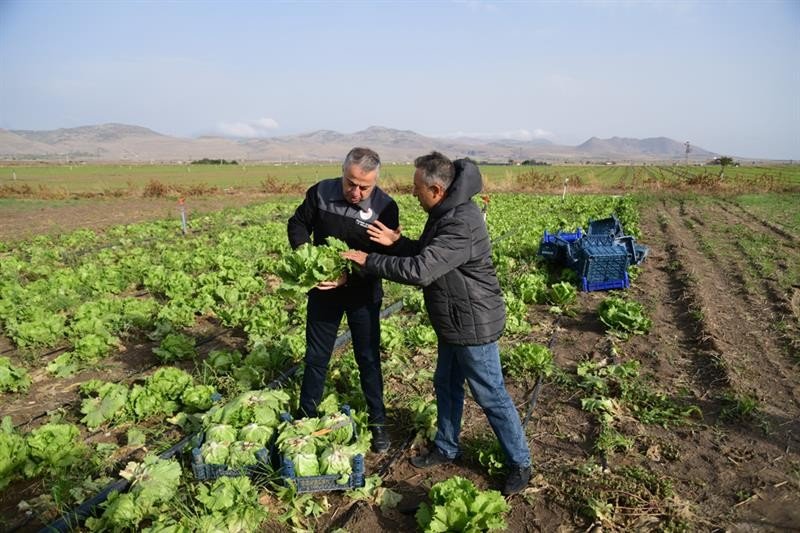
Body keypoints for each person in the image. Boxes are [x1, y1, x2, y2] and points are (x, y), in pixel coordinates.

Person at [341, 151, 532, 494]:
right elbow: (429, 255)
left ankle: (520, 463)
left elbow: (421, 271)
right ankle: (447, 446)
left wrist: (369, 261)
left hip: (473, 323)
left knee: (490, 395)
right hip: (453, 320)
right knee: (445, 385)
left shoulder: (460, 221)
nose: (412, 193)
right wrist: (398, 244)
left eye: (417, 188)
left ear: (436, 189)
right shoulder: (446, 211)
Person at [287, 147, 399, 453]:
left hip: (363, 293)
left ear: (375, 182)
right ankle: (306, 418)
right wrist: (307, 258)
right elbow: (297, 224)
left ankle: (378, 423)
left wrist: (349, 276)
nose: (356, 191)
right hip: (324, 291)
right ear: (343, 172)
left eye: (365, 187)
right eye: (351, 183)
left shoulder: (386, 207)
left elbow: (383, 257)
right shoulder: (321, 193)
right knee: (316, 356)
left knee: (368, 356)